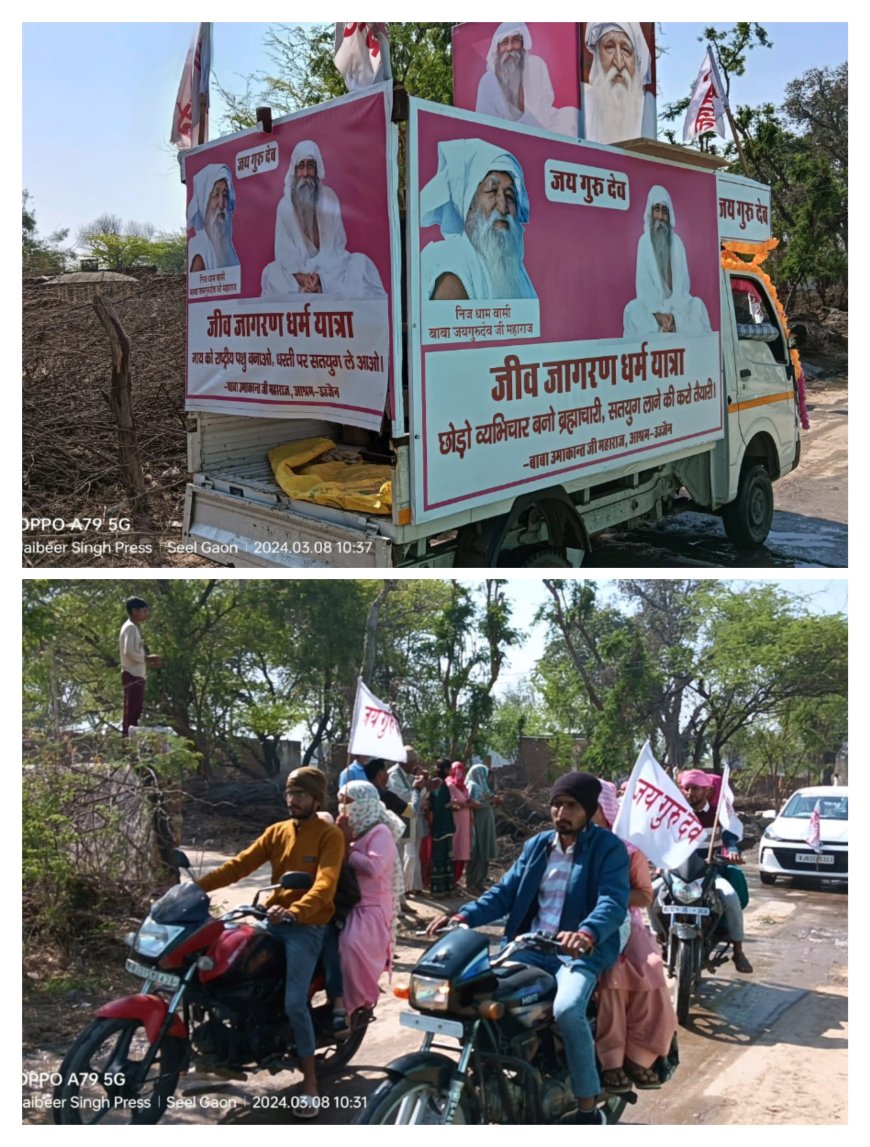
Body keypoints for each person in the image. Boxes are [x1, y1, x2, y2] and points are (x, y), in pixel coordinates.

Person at [428, 771, 630, 1125]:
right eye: (556, 805)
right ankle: (493, 1078)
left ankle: (587, 1109)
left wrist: (586, 932)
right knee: (474, 997)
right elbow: (504, 892)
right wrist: (463, 917)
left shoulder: (607, 848)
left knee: (568, 1009)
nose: (560, 813)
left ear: (588, 809)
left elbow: (612, 900)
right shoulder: (537, 846)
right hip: (529, 947)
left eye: (570, 806)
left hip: (576, 954)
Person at [196, 767, 344, 1115]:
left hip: (305, 927)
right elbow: (238, 865)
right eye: (290, 794)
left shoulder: (329, 835)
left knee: (295, 1003)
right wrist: (193, 887)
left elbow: (325, 883)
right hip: (269, 919)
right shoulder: (277, 831)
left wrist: (297, 910)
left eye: (301, 795)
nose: (293, 801)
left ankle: (309, 1083)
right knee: (224, 972)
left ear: (316, 798)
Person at [593, 780, 677, 1092]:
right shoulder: (566, 846)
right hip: (577, 927)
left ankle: (634, 1055)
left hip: (624, 925)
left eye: (591, 807)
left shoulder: (628, 851)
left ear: (605, 811)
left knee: (645, 972)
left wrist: (609, 897)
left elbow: (644, 896)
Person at [648, 768, 752, 974]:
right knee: (649, 894)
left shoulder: (718, 815)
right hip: (676, 872)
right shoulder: (674, 814)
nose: (690, 793)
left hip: (710, 873)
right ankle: (659, 938)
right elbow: (660, 838)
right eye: (686, 788)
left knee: (731, 898)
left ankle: (738, 950)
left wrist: (731, 850)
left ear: (706, 791)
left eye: (695, 788)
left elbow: (731, 836)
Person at [260, 140, 386, 299]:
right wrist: (303, 278)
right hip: (298, 279)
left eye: (310, 166)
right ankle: (309, 292)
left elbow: (338, 245)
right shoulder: (284, 206)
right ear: (295, 170)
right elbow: (284, 255)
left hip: (331, 271)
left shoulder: (329, 197)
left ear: (317, 169)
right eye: (301, 166)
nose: (305, 173)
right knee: (271, 273)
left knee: (361, 263)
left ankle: (315, 292)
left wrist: (320, 277)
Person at [420, 139, 537, 301]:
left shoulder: (514, 269)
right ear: (469, 203)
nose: (503, 207)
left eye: (510, 195)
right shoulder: (450, 260)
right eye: (492, 191)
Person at [330, 780, 404, 1035]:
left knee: (350, 945)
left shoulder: (379, 832)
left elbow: (373, 868)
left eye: (348, 801)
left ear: (365, 803)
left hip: (370, 905)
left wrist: (346, 848)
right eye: (340, 800)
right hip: (345, 900)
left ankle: (353, 1005)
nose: (343, 806)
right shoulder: (350, 829)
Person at [623, 186, 712, 339]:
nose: (660, 216)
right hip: (653, 313)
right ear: (651, 213)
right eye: (657, 209)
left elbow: (683, 286)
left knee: (698, 305)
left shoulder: (677, 243)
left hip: (677, 311)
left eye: (665, 211)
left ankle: (671, 330)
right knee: (632, 309)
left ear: (669, 215)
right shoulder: (644, 242)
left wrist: (673, 317)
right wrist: (659, 315)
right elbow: (644, 286)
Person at [475, 23, 577, 135]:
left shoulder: (536, 65)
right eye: (504, 42)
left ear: (523, 44)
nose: (509, 48)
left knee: (571, 115)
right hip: (508, 137)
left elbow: (545, 105)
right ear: (497, 49)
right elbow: (485, 126)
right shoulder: (487, 82)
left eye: (515, 40)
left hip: (543, 128)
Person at [582, 22, 656, 145]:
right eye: (609, 47)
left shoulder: (647, 109)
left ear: (636, 60)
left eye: (626, 50)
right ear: (598, 54)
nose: (619, 62)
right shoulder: (582, 104)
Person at [388, 747, 429, 895]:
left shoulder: (407, 775)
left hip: (409, 821)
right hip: (399, 821)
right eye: (412, 762)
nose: (414, 765)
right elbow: (404, 798)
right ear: (404, 762)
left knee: (410, 856)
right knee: (403, 857)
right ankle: (401, 892)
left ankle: (406, 890)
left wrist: (422, 786)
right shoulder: (394, 775)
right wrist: (417, 789)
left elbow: (418, 798)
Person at [119, 597, 161, 736]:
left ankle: (130, 744)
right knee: (131, 713)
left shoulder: (133, 628)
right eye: (143, 611)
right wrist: (147, 659)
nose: (146, 614)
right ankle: (127, 746)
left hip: (136, 675)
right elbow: (128, 651)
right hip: (132, 675)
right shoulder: (130, 627)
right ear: (134, 611)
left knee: (135, 712)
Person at [188, 164, 240, 272]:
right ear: (204, 202)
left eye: (225, 195)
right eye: (215, 195)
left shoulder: (226, 244)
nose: (221, 204)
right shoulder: (200, 249)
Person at [465, 762, 501, 894]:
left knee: (485, 851)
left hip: (487, 822)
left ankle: (480, 881)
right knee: (477, 851)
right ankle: (472, 882)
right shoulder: (472, 786)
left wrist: (494, 800)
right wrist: (491, 801)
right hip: (478, 822)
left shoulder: (482, 786)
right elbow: (474, 804)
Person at [427, 759, 456, 897]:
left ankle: (446, 889)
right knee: (439, 855)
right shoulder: (437, 783)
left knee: (446, 856)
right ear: (445, 769)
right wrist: (449, 805)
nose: (451, 771)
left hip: (445, 823)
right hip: (441, 824)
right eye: (449, 768)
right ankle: (438, 890)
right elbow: (437, 806)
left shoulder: (441, 783)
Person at [447, 762, 475, 886]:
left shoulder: (463, 786)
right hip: (455, 821)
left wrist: (467, 805)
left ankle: (456, 879)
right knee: (455, 848)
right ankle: (451, 880)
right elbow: (454, 805)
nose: (459, 773)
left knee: (463, 849)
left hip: (465, 822)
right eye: (457, 770)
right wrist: (466, 805)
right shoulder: (449, 785)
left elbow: (466, 802)